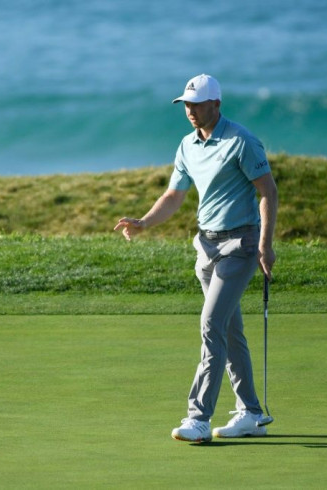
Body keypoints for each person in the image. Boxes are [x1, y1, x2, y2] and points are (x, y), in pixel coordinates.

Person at [114, 74, 278, 442]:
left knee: (210, 326)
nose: (190, 110)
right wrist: (143, 222)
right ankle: (250, 412)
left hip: (241, 245)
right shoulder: (187, 145)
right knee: (229, 331)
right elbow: (174, 195)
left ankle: (198, 418)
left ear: (216, 105)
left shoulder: (242, 141)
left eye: (197, 104)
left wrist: (266, 245)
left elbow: (268, 192)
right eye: (186, 104)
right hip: (205, 248)